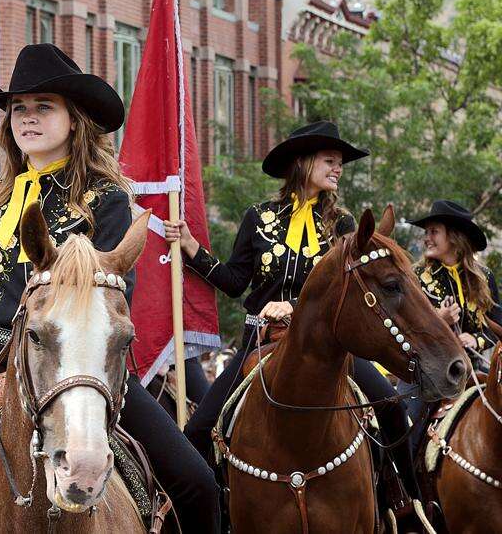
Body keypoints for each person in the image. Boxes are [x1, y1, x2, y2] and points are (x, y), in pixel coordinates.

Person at [0, 43, 219, 533]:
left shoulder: (105, 200)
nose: (27, 119)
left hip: (86, 368)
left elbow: (112, 298)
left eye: (44, 107)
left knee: (197, 484)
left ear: (74, 120)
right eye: (19, 109)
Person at [165, 121, 419, 498]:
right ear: (302, 162)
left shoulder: (343, 224)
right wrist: (191, 248)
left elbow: (347, 289)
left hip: (327, 343)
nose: (338, 169)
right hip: (260, 337)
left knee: (391, 407)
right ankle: (219, 506)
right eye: (330, 161)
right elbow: (236, 281)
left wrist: (295, 306)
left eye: (340, 164)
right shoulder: (257, 217)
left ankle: (407, 500)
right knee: (200, 428)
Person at [401, 200, 502, 441]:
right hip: (425, 372)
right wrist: (440, 319)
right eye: (426, 232)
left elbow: (498, 327)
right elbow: (405, 328)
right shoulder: (416, 277)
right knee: (405, 428)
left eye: (434, 232)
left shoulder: (483, 277)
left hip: (474, 370)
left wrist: (476, 340)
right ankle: (396, 474)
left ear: (454, 238)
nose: (427, 238)